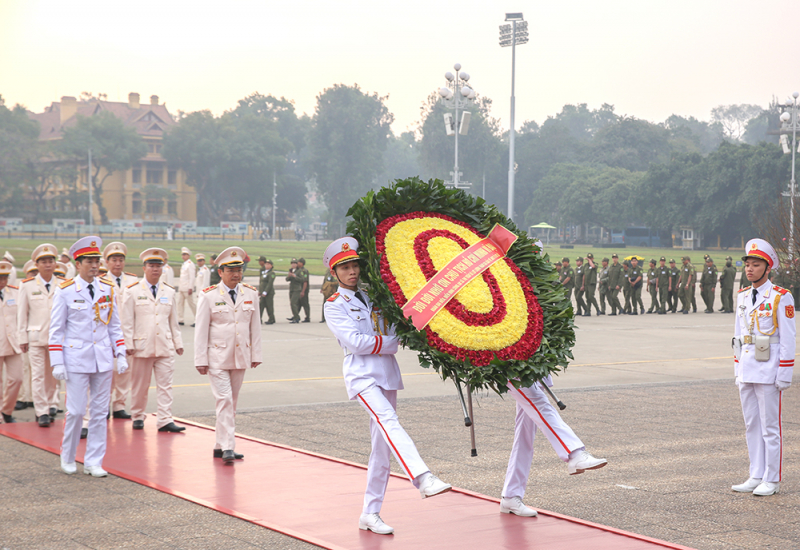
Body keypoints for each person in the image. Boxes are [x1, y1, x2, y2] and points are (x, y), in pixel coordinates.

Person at [323, 237, 451, 535]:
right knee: (389, 421)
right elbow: (356, 343)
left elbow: (395, 327)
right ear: (334, 272)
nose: (352, 271)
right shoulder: (334, 305)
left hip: (387, 375)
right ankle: (423, 478)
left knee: (381, 450)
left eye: (355, 266)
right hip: (362, 375)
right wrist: (393, 343)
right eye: (345, 268)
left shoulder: (375, 296)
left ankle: (370, 513)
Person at [49, 237, 128, 477]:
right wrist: (57, 362)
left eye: (96, 261)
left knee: (100, 412)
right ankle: (68, 455)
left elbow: (114, 325)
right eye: (89, 262)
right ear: (78, 264)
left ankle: (94, 461)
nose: (94, 266)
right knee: (75, 411)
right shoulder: (65, 291)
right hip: (76, 358)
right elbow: (56, 329)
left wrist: (121, 353)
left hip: (102, 358)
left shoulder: (107, 289)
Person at [731, 239, 795, 497]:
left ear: (767, 268)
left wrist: (784, 374)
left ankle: (772, 478)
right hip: (747, 368)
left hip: (769, 370)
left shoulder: (780, 296)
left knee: (770, 427)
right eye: (747, 264)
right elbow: (738, 336)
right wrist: (737, 369)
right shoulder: (743, 296)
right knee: (752, 425)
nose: (750, 269)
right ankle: (756, 474)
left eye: (756, 265)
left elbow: (788, 338)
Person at [194, 246, 261, 462]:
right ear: (220, 272)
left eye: (239, 270)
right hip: (217, 358)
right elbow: (201, 330)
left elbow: (255, 327)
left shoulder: (250, 294)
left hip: (240, 356)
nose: (236, 274)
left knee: (231, 401)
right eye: (231, 270)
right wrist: (200, 359)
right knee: (224, 400)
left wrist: (256, 354)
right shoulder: (209, 296)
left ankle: (219, 445)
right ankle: (228, 447)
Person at [121, 248, 185, 432]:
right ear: (144, 268)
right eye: (151, 266)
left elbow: (173, 321)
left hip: (164, 345)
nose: (155, 269)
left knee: (166, 386)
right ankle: (137, 416)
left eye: (158, 266)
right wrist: (128, 344)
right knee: (140, 386)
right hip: (141, 346)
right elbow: (127, 321)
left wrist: (178, 342)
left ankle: (165, 419)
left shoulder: (169, 291)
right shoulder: (132, 291)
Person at [17, 243, 62, 427]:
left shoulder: (63, 284)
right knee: (38, 375)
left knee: (53, 376)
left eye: (51, 261)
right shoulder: (27, 286)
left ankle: (50, 406)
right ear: (37, 265)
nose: (48, 265)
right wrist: (22, 338)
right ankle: (41, 411)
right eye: (44, 262)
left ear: (55, 264)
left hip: (57, 338)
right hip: (35, 337)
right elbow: (22, 314)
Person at [103, 242, 138, 419]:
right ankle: (104, 405)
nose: (118, 264)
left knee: (125, 372)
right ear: (107, 262)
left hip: (128, 333)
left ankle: (119, 405)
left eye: (121, 260)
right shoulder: (100, 281)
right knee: (107, 372)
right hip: (107, 334)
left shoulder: (133, 281)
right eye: (114, 260)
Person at [0, 260, 23, 424]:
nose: (3, 281)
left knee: (17, 379)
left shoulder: (15, 293)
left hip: (13, 342)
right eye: (0, 278)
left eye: (5, 278)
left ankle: (6, 410)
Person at [177, 247, 196, 326]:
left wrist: (190, 287)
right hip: (182, 287)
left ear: (188, 255)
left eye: (185, 254)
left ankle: (197, 319)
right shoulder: (184, 264)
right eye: (182, 254)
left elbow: (192, 277)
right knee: (180, 304)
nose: (183, 256)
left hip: (187, 288)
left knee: (191, 304)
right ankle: (180, 319)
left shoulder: (190, 264)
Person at [257, 257, 276, 325]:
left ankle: (271, 319)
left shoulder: (271, 273)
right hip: (263, 292)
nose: (266, 265)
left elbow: (269, 283)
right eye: (266, 264)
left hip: (269, 293)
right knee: (261, 306)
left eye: (268, 264)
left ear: (271, 266)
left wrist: (265, 292)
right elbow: (261, 283)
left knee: (269, 306)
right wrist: (260, 291)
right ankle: (259, 319)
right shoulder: (264, 273)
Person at [285, 258, 304, 323]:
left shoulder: (299, 271)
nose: (293, 265)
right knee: (292, 303)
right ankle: (295, 316)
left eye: (294, 263)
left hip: (297, 289)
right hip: (292, 289)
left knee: (293, 303)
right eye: (292, 263)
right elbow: (287, 279)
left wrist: (295, 277)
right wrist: (289, 276)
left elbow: (302, 280)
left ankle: (297, 317)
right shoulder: (291, 270)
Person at [297, 258, 311, 322]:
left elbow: (305, 282)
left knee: (305, 303)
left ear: (302, 263)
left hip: (304, 289)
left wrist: (303, 291)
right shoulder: (298, 270)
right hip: (299, 289)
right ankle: (296, 315)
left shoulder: (304, 271)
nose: (297, 263)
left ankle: (307, 317)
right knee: (298, 303)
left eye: (299, 262)